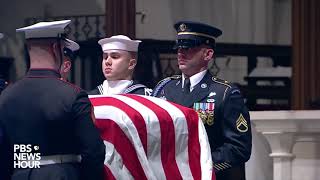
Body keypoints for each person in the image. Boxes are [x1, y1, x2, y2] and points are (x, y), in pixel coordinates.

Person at [0, 20, 105, 180]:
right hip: (61, 174)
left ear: (28, 49)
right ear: (57, 49)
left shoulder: (6, 96)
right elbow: (93, 151)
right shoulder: (73, 95)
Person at [152, 21, 252, 180]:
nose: (180, 53)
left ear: (208, 54)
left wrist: (200, 164)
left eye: (189, 48)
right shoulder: (164, 88)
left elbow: (239, 147)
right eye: (179, 48)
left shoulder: (225, 93)